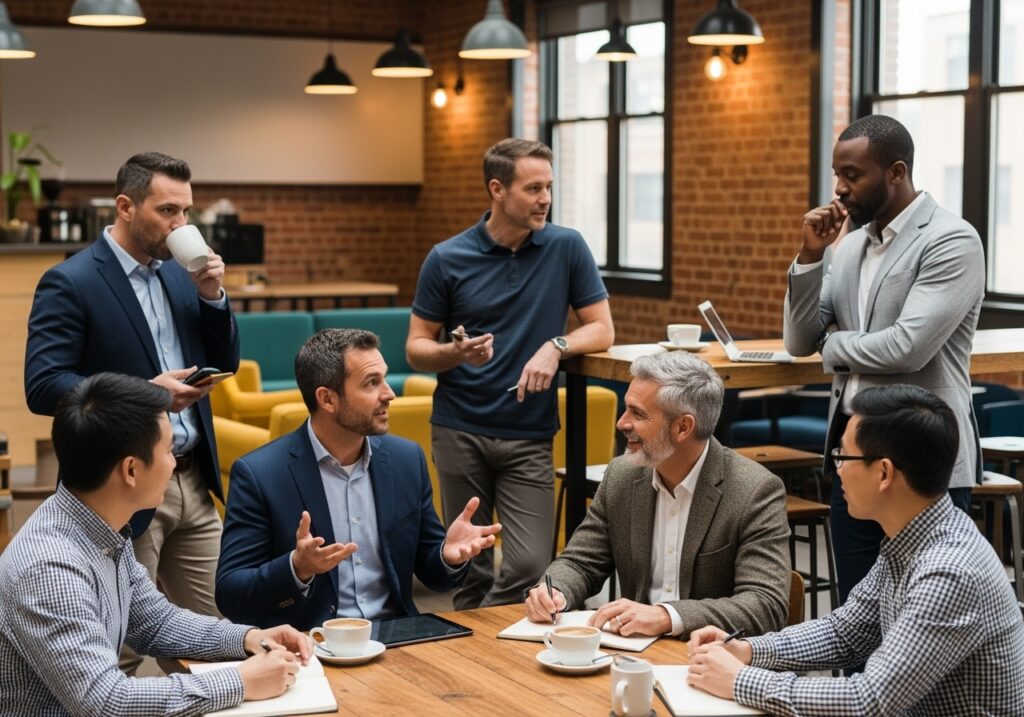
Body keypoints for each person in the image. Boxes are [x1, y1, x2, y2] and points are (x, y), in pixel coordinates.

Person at [687, 384, 1024, 716]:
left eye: (842, 456)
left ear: (884, 472)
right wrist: (747, 650)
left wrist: (741, 681)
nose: (836, 469)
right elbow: (845, 633)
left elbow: (869, 700)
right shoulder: (912, 538)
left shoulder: (948, 571)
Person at [0, 373, 312, 717]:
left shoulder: (97, 524)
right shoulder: (51, 568)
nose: (175, 462)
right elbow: (105, 702)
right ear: (130, 470)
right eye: (168, 450)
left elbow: (156, 621)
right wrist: (240, 681)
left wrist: (250, 638)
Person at [25, 152, 238, 635]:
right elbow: (42, 386)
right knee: (119, 643)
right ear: (125, 207)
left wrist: (212, 297)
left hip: (191, 479)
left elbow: (225, 363)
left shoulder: (178, 274)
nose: (180, 224)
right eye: (167, 212)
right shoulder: (71, 281)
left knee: (215, 632)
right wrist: (144, 394)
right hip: (119, 485)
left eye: (186, 213)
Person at [782, 115, 985, 604]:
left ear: (896, 172)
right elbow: (797, 339)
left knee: (922, 616)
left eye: (853, 175)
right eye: (837, 174)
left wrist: (834, 346)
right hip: (853, 460)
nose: (839, 188)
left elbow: (906, 347)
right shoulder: (848, 247)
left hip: (922, 465)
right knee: (855, 617)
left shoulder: (951, 240)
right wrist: (810, 256)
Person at [406, 138, 615, 609]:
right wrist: (455, 354)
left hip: (529, 434)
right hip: (460, 429)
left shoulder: (566, 247)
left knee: (528, 565)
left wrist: (555, 346)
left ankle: (488, 637)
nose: (545, 198)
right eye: (533, 188)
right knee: (468, 567)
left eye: (549, 187)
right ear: (497, 190)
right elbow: (417, 349)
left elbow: (602, 329)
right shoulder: (447, 257)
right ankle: (478, 670)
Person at [216, 328, 501, 630]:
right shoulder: (261, 474)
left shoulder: (406, 460)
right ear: (327, 399)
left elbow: (434, 574)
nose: (389, 394)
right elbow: (232, 595)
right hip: (309, 646)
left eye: (384, 378)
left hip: (396, 637)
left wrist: (447, 556)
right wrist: (296, 568)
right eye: (371, 383)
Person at [523, 351, 790, 638]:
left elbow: (765, 604)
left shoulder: (754, 490)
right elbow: (580, 562)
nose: (621, 423)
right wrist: (555, 591)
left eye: (638, 413)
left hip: (712, 660)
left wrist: (667, 616)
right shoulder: (622, 476)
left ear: (683, 427)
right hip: (632, 657)